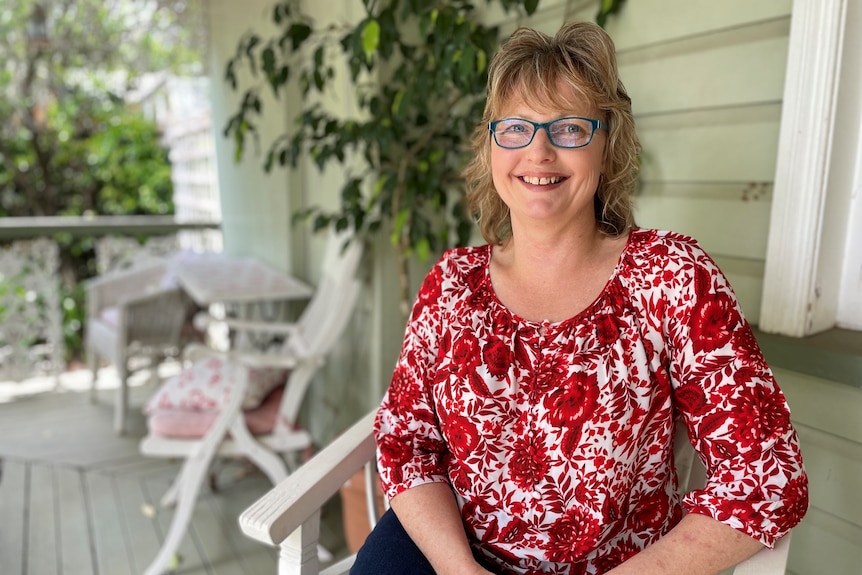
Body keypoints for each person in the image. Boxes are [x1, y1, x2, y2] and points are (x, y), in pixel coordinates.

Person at [352, 20, 808, 575]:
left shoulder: (670, 277)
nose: (538, 151)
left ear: (606, 144)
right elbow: (406, 445)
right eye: (515, 127)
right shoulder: (451, 285)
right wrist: (458, 569)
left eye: (569, 128)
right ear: (491, 146)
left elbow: (767, 479)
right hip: (449, 556)